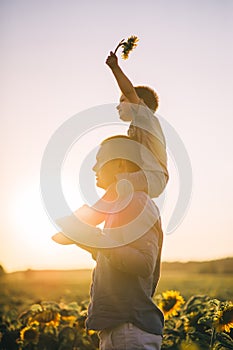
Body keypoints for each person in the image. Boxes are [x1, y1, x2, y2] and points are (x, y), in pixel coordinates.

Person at [53, 135, 164, 350]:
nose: (94, 168)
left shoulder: (136, 201)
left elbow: (144, 263)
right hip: (120, 330)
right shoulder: (119, 206)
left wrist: (94, 237)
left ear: (121, 163)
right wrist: (83, 237)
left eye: (100, 160)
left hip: (130, 330)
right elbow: (110, 253)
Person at [71, 50, 169, 226]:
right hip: (147, 176)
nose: (118, 106)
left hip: (153, 176)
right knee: (116, 187)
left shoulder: (145, 117)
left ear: (138, 102)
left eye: (123, 100)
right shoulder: (138, 128)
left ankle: (89, 219)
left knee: (116, 186)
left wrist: (115, 67)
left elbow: (130, 91)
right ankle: (100, 221)